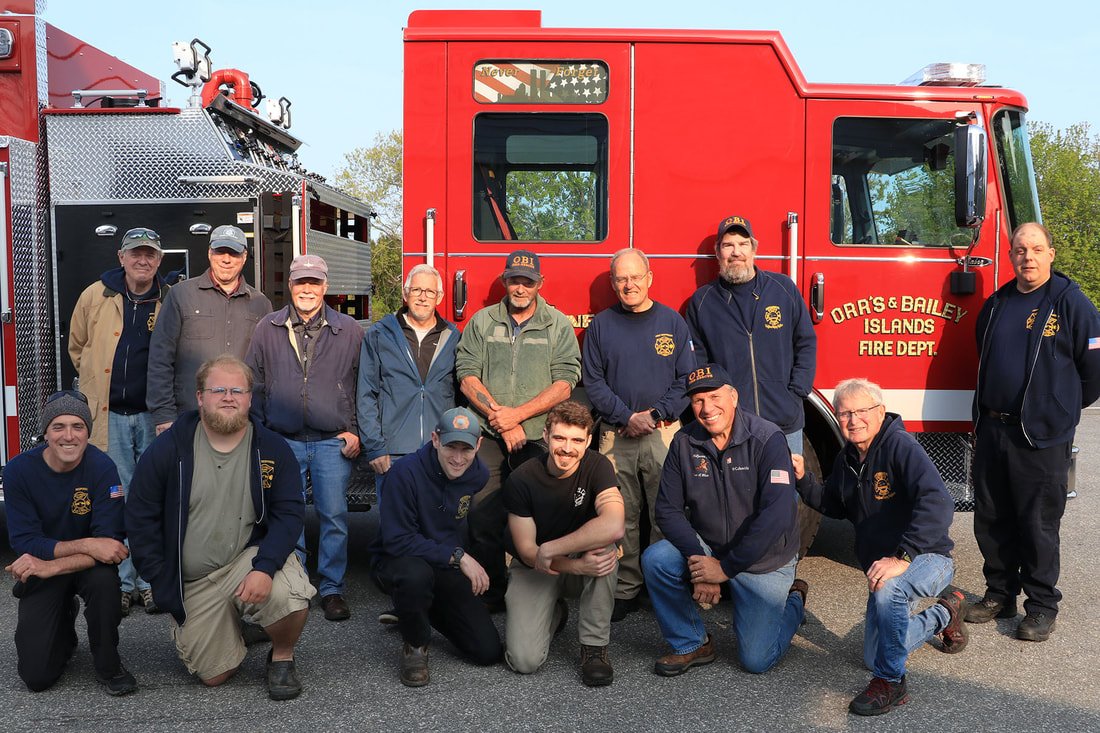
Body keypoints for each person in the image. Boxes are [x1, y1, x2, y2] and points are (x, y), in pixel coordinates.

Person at [126, 355, 314, 700]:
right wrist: (161, 580)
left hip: (247, 559)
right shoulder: (169, 449)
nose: (228, 397)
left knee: (287, 596)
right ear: (200, 397)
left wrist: (266, 567)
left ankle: (282, 656)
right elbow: (140, 517)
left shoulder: (271, 448)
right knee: (216, 675)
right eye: (218, 390)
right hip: (193, 581)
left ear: (249, 398)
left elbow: (289, 515)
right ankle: (243, 624)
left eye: (237, 390)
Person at [792, 378, 968, 716]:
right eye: (844, 414)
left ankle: (890, 683)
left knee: (889, 595)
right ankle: (946, 612)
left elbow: (938, 502)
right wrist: (803, 480)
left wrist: (903, 557)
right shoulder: (849, 458)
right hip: (886, 565)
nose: (853, 420)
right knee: (877, 652)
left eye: (861, 411)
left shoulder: (901, 447)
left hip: (926, 556)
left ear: (880, 411)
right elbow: (833, 503)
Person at [968, 222, 1100, 641]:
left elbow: (1094, 371)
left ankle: (1041, 606)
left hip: (1041, 436)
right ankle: (999, 594)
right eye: (1020, 250)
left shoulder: (1071, 303)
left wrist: (1058, 409)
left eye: (1036, 249)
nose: (1028, 257)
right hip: (993, 429)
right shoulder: (997, 303)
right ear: (1011, 256)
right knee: (992, 518)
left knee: (1038, 523)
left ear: (1051, 254)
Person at [642, 363, 804, 677]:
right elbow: (667, 510)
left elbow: (778, 515)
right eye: (698, 400)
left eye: (714, 396)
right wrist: (701, 562)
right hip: (709, 547)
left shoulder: (767, 438)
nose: (706, 408)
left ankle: (794, 602)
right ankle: (692, 643)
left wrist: (725, 569)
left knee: (756, 661)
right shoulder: (684, 442)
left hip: (763, 558)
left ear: (733, 397)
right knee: (657, 559)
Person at [455, 250, 582, 608]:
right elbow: (466, 376)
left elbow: (565, 381)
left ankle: (544, 592)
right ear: (504, 281)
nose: (520, 287)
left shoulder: (556, 324)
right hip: (489, 434)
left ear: (540, 284)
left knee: (543, 515)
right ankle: (491, 591)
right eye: (514, 280)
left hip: (538, 434)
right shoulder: (482, 322)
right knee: (481, 514)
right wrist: (500, 417)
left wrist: (519, 417)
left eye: (528, 281)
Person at [246, 254, 362, 622]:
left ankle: (331, 589)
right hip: (284, 440)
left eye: (314, 283)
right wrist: (262, 433)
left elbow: (363, 385)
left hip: (332, 440)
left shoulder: (350, 330)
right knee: (287, 516)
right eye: (301, 282)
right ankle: (295, 586)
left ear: (326, 287)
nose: (307, 289)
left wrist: (355, 430)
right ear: (290, 286)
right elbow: (255, 384)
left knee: (334, 516)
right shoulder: (268, 327)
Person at [582, 248, 694, 621]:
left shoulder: (672, 322)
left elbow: (685, 380)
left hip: (663, 433)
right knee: (622, 516)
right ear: (614, 284)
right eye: (621, 279)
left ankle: (662, 584)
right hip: (617, 435)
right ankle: (627, 588)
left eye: (635, 277)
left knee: (667, 513)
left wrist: (656, 414)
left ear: (650, 277)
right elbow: (593, 382)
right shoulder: (601, 326)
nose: (628, 285)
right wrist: (627, 416)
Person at [3, 391, 137, 695]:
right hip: (44, 564)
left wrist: (52, 566)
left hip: (80, 568)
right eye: (58, 426)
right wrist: (89, 545)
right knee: (36, 677)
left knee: (105, 583)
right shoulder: (17, 471)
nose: (69, 436)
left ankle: (108, 664)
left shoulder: (103, 468)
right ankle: (63, 623)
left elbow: (110, 548)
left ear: (88, 432)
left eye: (78, 426)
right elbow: (25, 540)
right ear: (45, 433)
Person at [69, 226, 170, 616]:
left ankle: (149, 582)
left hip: (152, 417)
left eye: (150, 254)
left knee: (151, 499)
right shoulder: (95, 296)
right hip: (108, 416)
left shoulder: (168, 300)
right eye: (135, 253)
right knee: (118, 498)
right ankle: (124, 584)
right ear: (121, 257)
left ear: (159, 260)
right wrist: (99, 385)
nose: (142, 260)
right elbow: (77, 347)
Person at [369, 407, 503, 687]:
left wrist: (460, 558)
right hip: (399, 560)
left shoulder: (477, 474)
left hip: (443, 561)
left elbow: (457, 522)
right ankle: (415, 644)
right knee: (415, 577)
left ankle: (413, 610)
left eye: (466, 449)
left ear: (479, 445)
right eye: (450, 446)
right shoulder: (404, 474)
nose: (457, 458)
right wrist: (460, 557)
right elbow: (397, 540)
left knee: (487, 651)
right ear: (435, 439)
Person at [502, 401, 625, 686]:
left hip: (566, 556)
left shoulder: (598, 466)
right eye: (560, 438)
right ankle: (555, 612)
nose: (567, 448)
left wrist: (553, 548)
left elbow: (614, 524)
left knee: (605, 551)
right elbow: (527, 551)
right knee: (524, 661)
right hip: (536, 567)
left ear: (588, 441)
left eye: (576, 440)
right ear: (545, 436)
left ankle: (594, 648)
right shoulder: (522, 479)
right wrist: (575, 565)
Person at [685, 215, 816, 453]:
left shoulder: (783, 289)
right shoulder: (702, 302)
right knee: (735, 490)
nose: (736, 252)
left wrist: (796, 394)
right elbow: (699, 366)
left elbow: (806, 343)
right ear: (718, 253)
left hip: (784, 422)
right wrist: (716, 408)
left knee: (785, 488)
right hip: (732, 426)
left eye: (743, 244)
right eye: (728, 245)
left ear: (754, 250)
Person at [147, 225, 272, 435]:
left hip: (242, 420)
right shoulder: (181, 295)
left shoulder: (261, 304)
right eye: (220, 251)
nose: (226, 259)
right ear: (209, 253)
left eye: (233, 253)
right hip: (189, 419)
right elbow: (160, 358)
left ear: (244, 257)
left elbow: (268, 367)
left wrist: (261, 418)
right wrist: (164, 415)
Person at [359, 264, 459, 491]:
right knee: (395, 525)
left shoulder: (453, 338)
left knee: (437, 524)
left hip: (440, 451)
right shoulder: (379, 335)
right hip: (393, 455)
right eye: (416, 290)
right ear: (405, 294)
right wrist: (375, 447)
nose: (423, 298)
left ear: (439, 297)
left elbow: (462, 397)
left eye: (429, 292)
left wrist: (456, 445)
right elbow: (365, 394)